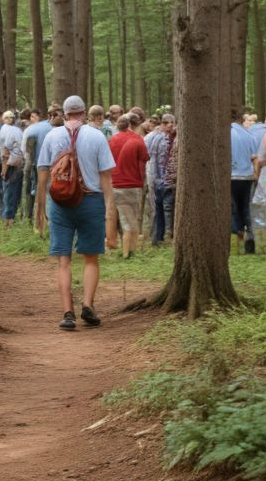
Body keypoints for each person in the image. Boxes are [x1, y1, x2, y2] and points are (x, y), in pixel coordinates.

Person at [36, 95, 116, 331]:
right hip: (90, 200)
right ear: (83, 113)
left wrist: (40, 208)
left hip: (60, 203)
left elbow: (43, 174)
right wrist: (109, 208)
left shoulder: (52, 136)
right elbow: (106, 177)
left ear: (65, 113)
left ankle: (67, 312)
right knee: (90, 258)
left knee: (63, 260)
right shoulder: (97, 136)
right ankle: (88, 305)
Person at [108, 114, 149, 258]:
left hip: (115, 184)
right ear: (134, 125)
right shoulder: (138, 140)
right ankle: (128, 254)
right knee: (130, 220)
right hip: (132, 184)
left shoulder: (112, 140)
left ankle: (129, 252)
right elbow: (144, 159)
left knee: (125, 218)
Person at [230, 108, 258, 254]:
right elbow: (255, 159)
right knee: (246, 208)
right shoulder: (249, 134)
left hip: (231, 177)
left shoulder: (225, 134)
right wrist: (256, 175)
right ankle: (250, 239)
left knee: (233, 209)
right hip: (247, 177)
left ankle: (238, 239)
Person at [148, 113, 176, 244]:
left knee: (161, 209)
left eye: (172, 123)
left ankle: (159, 237)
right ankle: (162, 236)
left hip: (160, 179)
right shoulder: (161, 139)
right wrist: (159, 179)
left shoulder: (163, 137)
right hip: (162, 180)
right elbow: (157, 160)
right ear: (162, 124)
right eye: (167, 123)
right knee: (164, 209)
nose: (170, 126)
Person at [0, 110, 24, 229]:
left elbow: (5, 152)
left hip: (11, 165)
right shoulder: (16, 130)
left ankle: (8, 219)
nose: (9, 119)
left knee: (9, 192)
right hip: (15, 164)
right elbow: (7, 151)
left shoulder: (7, 129)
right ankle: (10, 218)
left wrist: (4, 168)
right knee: (12, 192)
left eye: (10, 117)